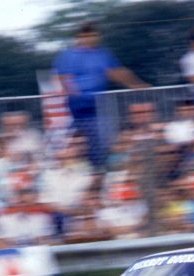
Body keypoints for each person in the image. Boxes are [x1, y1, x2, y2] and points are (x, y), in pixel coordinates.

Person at [54, 22, 149, 167]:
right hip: (78, 106)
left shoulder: (103, 54)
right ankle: (91, 169)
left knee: (103, 141)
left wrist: (136, 84)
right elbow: (63, 77)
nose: (89, 39)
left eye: (92, 35)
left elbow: (117, 72)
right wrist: (72, 90)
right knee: (82, 141)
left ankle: (101, 169)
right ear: (78, 37)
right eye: (85, 36)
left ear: (98, 36)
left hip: (99, 105)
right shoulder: (67, 55)